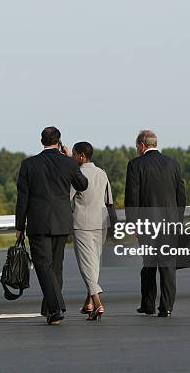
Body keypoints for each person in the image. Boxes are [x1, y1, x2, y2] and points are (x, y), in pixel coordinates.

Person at [15, 126, 88, 325]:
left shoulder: (29, 164)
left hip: (38, 222)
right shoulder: (69, 163)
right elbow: (82, 185)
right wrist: (71, 161)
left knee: (43, 265)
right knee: (56, 267)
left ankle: (55, 308)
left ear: (42, 141)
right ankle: (51, 309)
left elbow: (23, 198)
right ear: (59, 141)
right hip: (62, 221)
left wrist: (19, 225)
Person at [124, 130, 186, 317]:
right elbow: (181, 195)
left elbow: (132, 196)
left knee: (149, 264)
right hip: (170, 222)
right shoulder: (172, 163)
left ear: (142, 145)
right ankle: (166, 306)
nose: (136, 150)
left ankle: (148, 305)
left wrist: (132, 222)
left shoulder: (135, 165)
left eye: (137, 146)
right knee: (168, 265)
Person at [70, 141, 113, 321]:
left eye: (73, 154)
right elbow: (108, 199)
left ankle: (97, 303)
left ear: (81, 156)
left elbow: (68, 198)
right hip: (101, 222)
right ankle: (88, 303)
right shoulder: (101, 173)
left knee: (86, 265)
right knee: (94, 262)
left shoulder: (77, 174)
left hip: (82, 223)